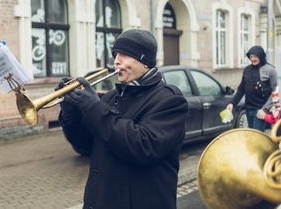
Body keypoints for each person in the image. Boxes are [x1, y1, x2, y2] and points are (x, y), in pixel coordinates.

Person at [57, 29, 188, 209]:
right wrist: (70, 112)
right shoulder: (111, 97)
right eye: (115, 54)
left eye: (124, 55)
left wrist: (94, 108)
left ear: (145, 61)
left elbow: (144, 147)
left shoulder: (170, 100)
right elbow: (84, 145)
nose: (116, 61)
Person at [226, 45, 278, 132]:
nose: (253, 59)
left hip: (260, 110)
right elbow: (241, 89)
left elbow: (276, 92)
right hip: (248, 109)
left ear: (261, 56)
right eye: (251, 56)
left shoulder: (270, 70)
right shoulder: (247, 70)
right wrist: (232, 103)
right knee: (252, 136)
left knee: (256, 138)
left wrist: (265, 109)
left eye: (255, 56)